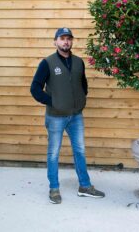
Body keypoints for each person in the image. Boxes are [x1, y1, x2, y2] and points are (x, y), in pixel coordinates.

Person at [30, 27, 105, 204]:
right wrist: (54, 101)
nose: (66, 42)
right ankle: (54, 189)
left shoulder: (79, 62)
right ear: (55, 41)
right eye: (62, 38)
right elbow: (35, 89)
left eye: (69, 39)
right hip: (55, 116)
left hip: (76, 116)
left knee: (80, 150)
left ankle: (84, 186)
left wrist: (79, 99)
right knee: (53, 153)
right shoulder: (47, 63)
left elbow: (83, 84)